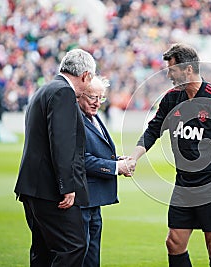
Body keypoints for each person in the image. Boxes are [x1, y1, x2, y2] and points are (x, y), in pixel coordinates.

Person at [129, 43, 211, 267]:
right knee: (174, 243)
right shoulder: (171, 98)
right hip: (184, 185)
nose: (168, 74)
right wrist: (134, 157)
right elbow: (153, 129)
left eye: (172, 69)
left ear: (188, 69)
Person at [14, 48, 96, 266]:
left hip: (33, 188)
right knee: (74, 246)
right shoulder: (63, 93)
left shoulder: (45, 89)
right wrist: (67, 185)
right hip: (51, 191)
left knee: (43, 251)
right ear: (85, 75)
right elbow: (61, 143)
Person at [76, 76, 134, 267]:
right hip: (80, 199)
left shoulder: (93, 115)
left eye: (101, 98)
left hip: (94, 199)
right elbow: (80, 159)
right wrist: (116, 168)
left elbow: (96, 151)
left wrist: (117, 160)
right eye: (93, 97)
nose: (98, 103)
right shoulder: (74, 117)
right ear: (79, 94)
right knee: (80, 254)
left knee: (92, 255)